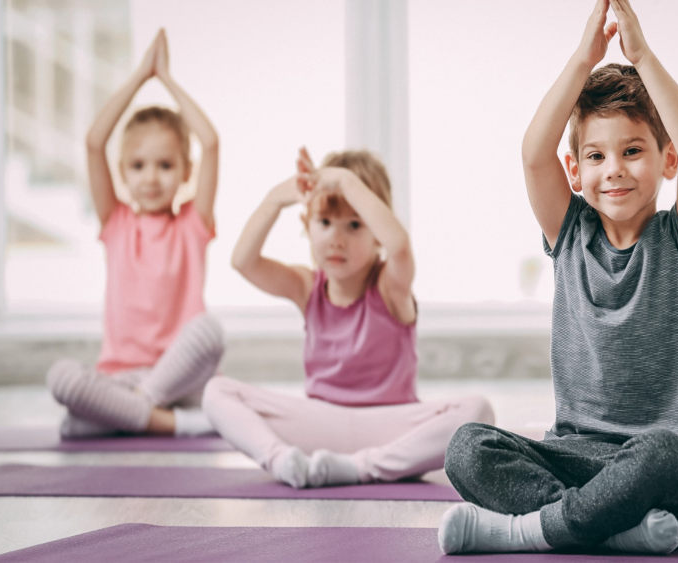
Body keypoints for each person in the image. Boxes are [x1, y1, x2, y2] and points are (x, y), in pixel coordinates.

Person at [439, 0, 678, 555]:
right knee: (466, 447)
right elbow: (532, 151)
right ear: (575, 171)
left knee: (664, 453)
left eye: (633, 151)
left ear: (663, 161)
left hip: (665, 477)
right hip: (572, 459)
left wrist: (638, 54)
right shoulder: (569, 235)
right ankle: (614, 532)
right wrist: (585, 55)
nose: (613, 168)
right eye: (596, 155)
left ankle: (533, 532)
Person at [202, 148, 493, 488]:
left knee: (478, 412)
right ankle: (282, 461)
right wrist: (275, 200)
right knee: (215, 392)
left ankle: (361, 467)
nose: (336, 240)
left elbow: (399, 247)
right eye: (324, 223)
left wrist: (345, 181)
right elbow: (243, 261)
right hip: (319, 424)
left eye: (355, 225)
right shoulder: (306, 286)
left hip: (390, 427)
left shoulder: (390, 286)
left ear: (376, 235)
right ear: (306, 225)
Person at [46, 29, 224, 438]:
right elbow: (94, 142)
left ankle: (136, 413)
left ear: (185, 171)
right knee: (63, 380)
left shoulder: (192, 226)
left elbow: (211, 143)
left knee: (210, 330)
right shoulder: (116, 223)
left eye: (165, 165)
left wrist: (167, 80)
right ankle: (166, 420)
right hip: (122, 376)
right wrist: (140, 76)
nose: (151, 178)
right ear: (122, 171)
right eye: (138, 165)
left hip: (181, 377)